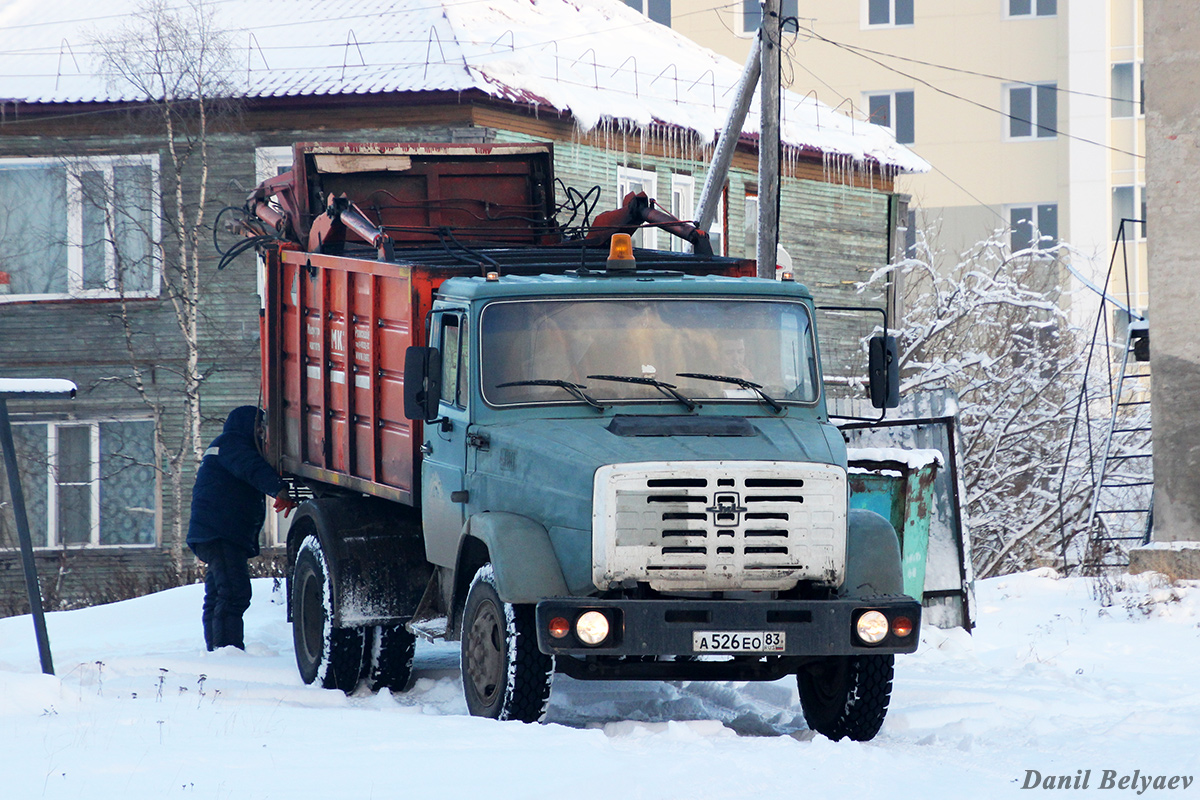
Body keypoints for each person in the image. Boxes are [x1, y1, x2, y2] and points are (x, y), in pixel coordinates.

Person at [186, 406, 296, 651]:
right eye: (260, 427)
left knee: (217, 595)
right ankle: (228, 652)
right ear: (247, 426)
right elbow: (252, 468)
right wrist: (279, 489)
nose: (263, 433)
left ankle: (217, 649)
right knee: (234, 592)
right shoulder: (233, 444)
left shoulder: (224, 445)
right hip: (220, 534)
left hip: (214, 533)